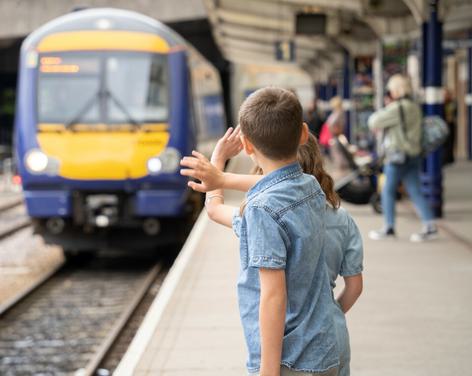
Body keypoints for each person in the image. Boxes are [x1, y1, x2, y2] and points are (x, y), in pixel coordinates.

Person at [180, 87, 339, 375]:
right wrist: (219, 173)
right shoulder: (310, 187)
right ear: (304, 134)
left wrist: (267, 371)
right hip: (324, 352)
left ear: (247, 146)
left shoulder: (261, 211)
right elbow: (271, 187)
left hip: (288, 361)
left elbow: (273, 296)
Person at [367, 74, 437, 242]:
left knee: (387, 191)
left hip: (398, 156)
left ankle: (389, 226)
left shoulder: (396, 107)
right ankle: (429, 225)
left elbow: (373, 122)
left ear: (395, 90)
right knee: (415, 191)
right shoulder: (414, 106)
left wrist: (387, 106)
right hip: (414, 154)